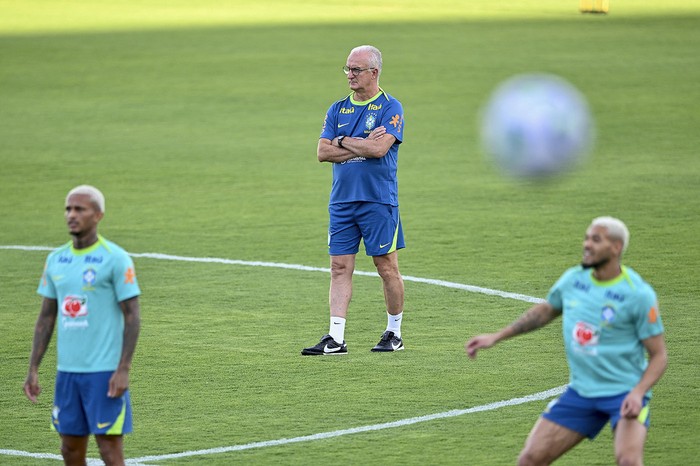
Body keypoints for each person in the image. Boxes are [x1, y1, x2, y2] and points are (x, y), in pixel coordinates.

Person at [465, 217, 667, 466]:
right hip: (582, 392)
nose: (587, 244)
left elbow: (659, 356)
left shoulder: (637, 294)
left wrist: (638, 393)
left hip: (624, 393)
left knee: (628, 461)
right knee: (529, 459)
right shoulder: (574, 280)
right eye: (586, 238)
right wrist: (497, 336)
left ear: (616, 247)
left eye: (596, 239)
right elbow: (546, 311)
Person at [24, 185, 141, 466]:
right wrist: (33, 368)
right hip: (67, 373)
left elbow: (132, 315)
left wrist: (123, 368)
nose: (71, 215)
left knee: (109, 450)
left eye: (80, 209)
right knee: (70, 449)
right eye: (68, 209)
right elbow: (46, 317)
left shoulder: (115, 258)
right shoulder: (56, 260)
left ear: (98, 215)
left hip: (103, 372)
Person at [302, 45, 406, 355]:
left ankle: (394, 332)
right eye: (347, 69)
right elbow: (323, 153)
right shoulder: (337, 109)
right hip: (342, 201)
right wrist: (357, 143)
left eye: (356, 70)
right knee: (338, 267)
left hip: (378, 200)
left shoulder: (391, 107)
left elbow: (379, 150)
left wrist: (342, 141)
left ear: (374, 73)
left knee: (385, 267)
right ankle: (335, 338)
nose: (349, 75)